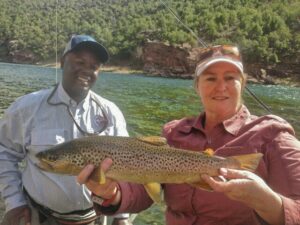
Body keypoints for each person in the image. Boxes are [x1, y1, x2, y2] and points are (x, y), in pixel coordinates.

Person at [76, 45, 300, 225]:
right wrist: (111, 193)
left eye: (230, 77)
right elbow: (143, 189)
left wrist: (266, 202)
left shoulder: (272, 135)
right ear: (197, 86)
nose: (221, 87)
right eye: (210, 78)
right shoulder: (173, 134)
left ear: (242, 84)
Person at [0, 35, 133, 225]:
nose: (86, 70)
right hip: (40, 216)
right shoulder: (26, 108)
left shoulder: (111, 113)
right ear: (62, 62)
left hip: (95, 216)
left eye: (94, 66)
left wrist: (121, 216)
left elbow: (129, 165)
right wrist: (14, 202)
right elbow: (4, 153)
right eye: (80, 62)